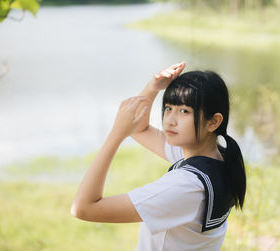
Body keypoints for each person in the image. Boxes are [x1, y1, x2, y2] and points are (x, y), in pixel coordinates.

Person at [71, 62, 247, 250]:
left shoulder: (185, 186)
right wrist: (152, 88)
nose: (170, 120)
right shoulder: (218, 158)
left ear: (213, 122)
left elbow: (84, 208)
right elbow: (140, 129)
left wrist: (116, 134)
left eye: (184, 111)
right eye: (169, 108)